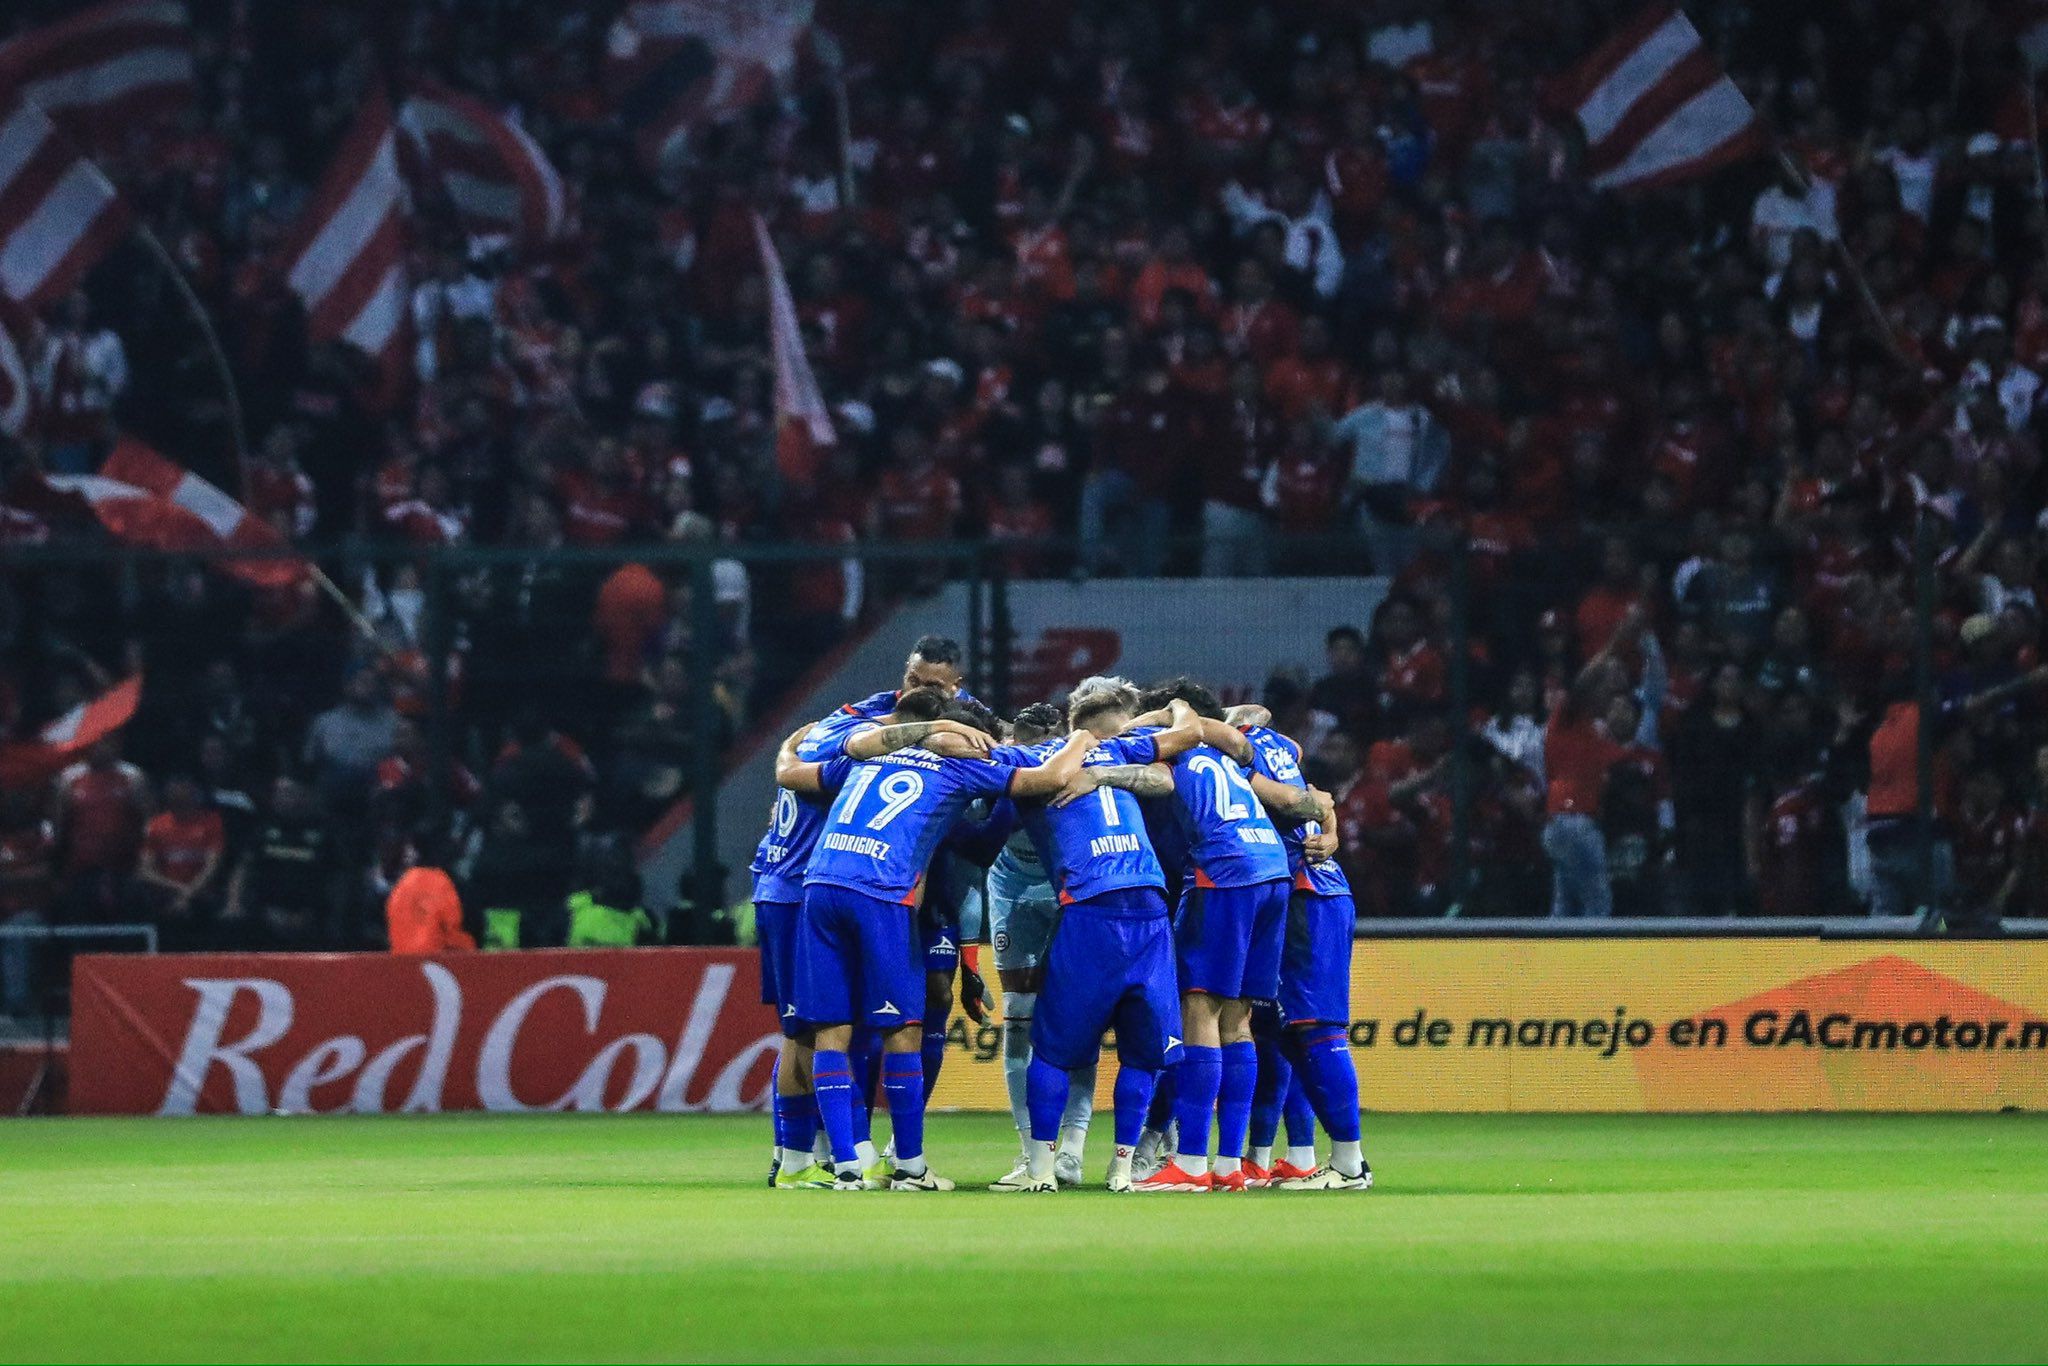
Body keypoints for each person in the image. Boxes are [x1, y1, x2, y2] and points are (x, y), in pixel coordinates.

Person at [794, 699, 1091, 1191]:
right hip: (880, 891)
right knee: (904, 1029)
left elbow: (796, 773)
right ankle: (909, 1165)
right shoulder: (962, 769)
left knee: (833, 1027)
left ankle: (846, 1166)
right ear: (969, 740)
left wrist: (787, 749)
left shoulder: (868, 755)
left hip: (820, 884)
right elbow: (1049, 779)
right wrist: (1083, 739)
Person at [751, 685, 992, 1189]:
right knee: (815, 1031)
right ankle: (805, 1156)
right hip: (811, 889)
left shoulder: (830, 734)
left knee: (825, 1027)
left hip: (798, 887)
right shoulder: (870, 748)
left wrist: (786, 747)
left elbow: (786, 770)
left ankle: (831, 1154)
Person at [989, 681, 1208, 1192]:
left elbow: (988, 815)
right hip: (1150, 905)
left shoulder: (1029, 762)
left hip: (1091, 906)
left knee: (1052, 1049)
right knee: (1143, 1051)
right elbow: (1184, 744)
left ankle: (1041, 1170)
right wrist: (1173, 709)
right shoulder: (1117, 749)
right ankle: (1123, 1168)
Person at [1125, 678, 1322, 1192]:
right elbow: (1259, 717)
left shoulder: (1175, 751)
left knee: (1200, 1012)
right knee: (1238, 1023)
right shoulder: (1231, 755)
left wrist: (1156, 721)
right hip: (1273, 870)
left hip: (1224, 875)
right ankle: (1230, 1165)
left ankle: (1190, 1163)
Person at [1236, 719, 1371, 1190]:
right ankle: (1304, 1158)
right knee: (1290, 1033)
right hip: (1303, 895)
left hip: (1309, 895)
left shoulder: (1240, 760)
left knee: (1316, 1029)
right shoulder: (1274, 746)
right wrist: (1330, 829)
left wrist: (1328, 830)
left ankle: (1350, 1164)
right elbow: (1321, 798)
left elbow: (1306, 799)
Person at [982, 702, 1096, 1190]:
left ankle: (1071, 1149)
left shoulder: (1082, 766)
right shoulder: (1000, 768)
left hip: (1069, 888)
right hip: (1011, 889)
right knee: (1019, 1021)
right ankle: (1032, 1151)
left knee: (1075, 1021)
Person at [385, 851, 474, 955]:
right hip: (433, 961)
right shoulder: (441, 883)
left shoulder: (401, 885)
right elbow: (452, 927)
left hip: (401, 961)